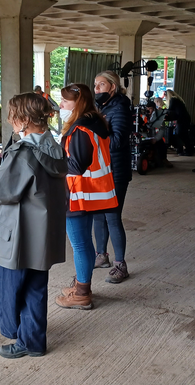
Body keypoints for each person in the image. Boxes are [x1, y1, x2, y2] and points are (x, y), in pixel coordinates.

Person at [0, 93, 68, 359]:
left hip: (16, 234)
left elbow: (4, 193)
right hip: (43, 233)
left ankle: (13, 330)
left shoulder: (23, 152)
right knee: (36, 287)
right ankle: (33, 341)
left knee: (9, 287)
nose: (12, 123)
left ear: (24, 120)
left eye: (14, 118)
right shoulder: (55, 147)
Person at [56, 83, 118, 310]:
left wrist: (52, 160)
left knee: (80, 245)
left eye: (65, 101)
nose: (61, 105)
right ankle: (83, 285)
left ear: (78, 103)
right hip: (90, 193)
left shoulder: (81, 129)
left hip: (78, 193)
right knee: (84, 244)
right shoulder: (94, 123)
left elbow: (76, 165)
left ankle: (82, 293)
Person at [91, 71, 132, 283]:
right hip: (101, 170)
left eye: (101, 85)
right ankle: (101, 255)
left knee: (112, 217)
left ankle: (120, 265)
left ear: (113, 87)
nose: (97, 89)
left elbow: (117, 142)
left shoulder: (121, 108)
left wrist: (98, 130)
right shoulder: (103, 108)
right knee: (98, 216)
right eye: (95, 85)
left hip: (116, 171)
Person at [166, 89, 194, 156]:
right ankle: (188, 149)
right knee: (183, 134)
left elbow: (170, 109)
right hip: (185, 118)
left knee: (181, 134)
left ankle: (189, 149)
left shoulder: (173, 100)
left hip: (182, 119)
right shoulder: (178, 100)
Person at [145, 100, 173, 168]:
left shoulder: (159, 117)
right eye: (147, 108)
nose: (148, 110)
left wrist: (156, 139)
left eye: (150, 108)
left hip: (155, 137)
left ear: (154, 109)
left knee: (162, 146)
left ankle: (164, 159)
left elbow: (161, 130)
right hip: (145, 137)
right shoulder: (142, 117)